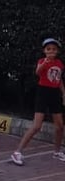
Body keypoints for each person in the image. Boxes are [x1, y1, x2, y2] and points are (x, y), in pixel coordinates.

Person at [11, 38, 65, 166]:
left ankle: (57, 152)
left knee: (60, 126)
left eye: (54, 49)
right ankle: (17, 152)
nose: (51, 51)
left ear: (57, 51)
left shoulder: (59, 63)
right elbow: (38, 72)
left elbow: (58, 79)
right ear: (44, 51)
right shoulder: (42, 61)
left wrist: (63, 93)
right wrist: (45, 62)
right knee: (36, 126)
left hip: (54, 94)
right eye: (48, 49)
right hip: (43, 93)